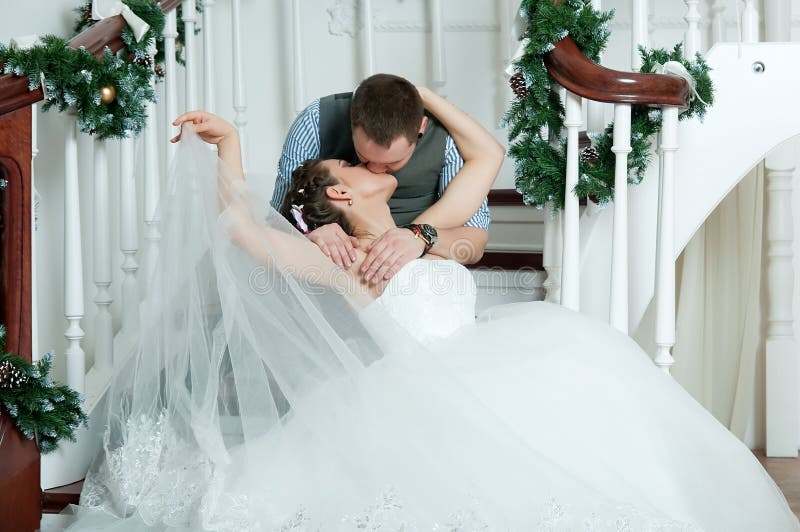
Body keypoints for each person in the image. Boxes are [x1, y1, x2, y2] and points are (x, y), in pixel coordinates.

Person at [63, 93, 799, 531]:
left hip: (495, 355)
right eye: (353, 167)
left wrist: (421, 103)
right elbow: (242, 229)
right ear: (343, 195)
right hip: (427, 391)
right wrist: (230, 144)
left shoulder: (425, 233)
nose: (377, 167)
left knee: (593, 365)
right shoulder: (340, 260)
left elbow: (485, 155)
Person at [272, 73, 499, 283]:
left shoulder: (447, 139)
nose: (377, 169)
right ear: (352, 124)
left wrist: (419, 237)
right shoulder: (316, 120)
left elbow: (474, 241)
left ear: (420, 128)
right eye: (362, 158)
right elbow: (277, 219)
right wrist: (309, 235)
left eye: (392, 163)